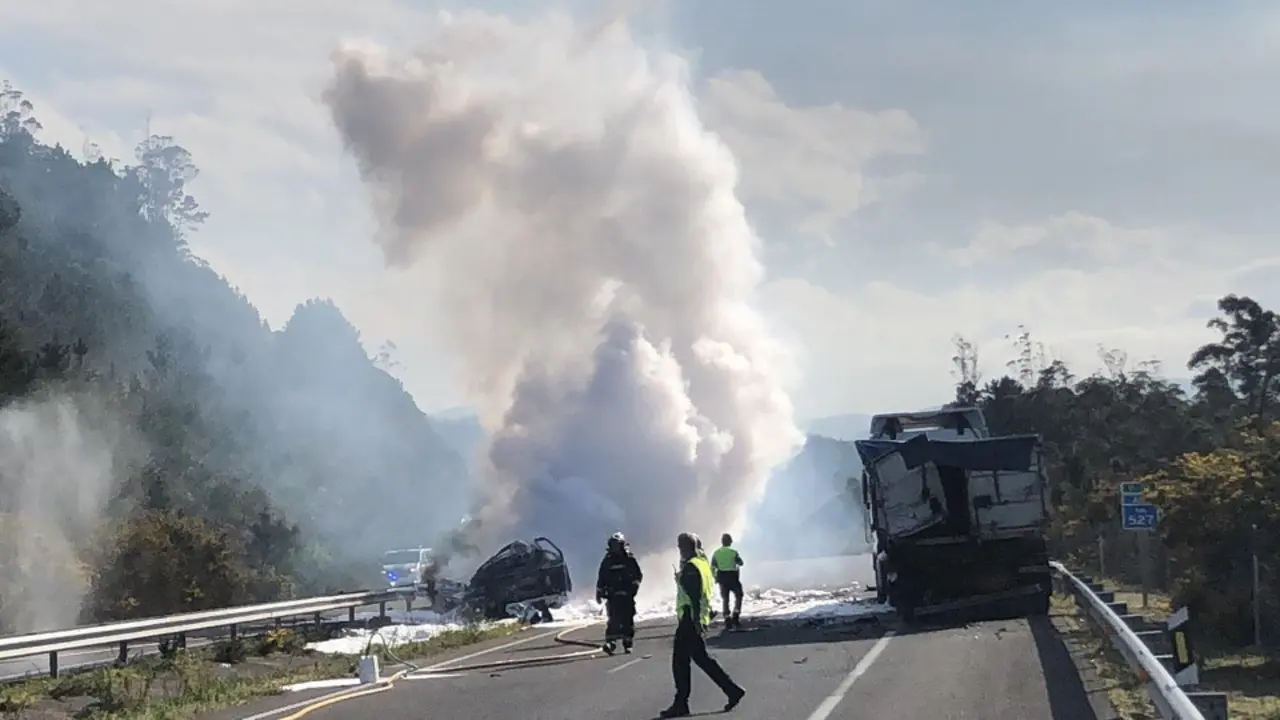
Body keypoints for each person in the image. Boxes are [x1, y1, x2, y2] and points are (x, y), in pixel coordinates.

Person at [659, 532, 746, 718]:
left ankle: (682, 703)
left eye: (680, 546)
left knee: (680, 661)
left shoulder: (691, 567)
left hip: (690, 619)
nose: (679, 549)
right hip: (695, 618)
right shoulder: (701, 562)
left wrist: (696, 620)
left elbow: (694, 596)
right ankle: (731, 690)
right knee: (699, 659)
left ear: (684, 547)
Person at [596, 532, 643, 655]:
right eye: (613, 545)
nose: (615, 548)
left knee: (627, 619)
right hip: (613, 595)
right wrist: (599, 591)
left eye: (617, 545)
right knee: (613, 619)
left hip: (627, 595)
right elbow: (602, 577)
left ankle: (627, 643)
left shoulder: (629, 559)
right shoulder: (607, 560)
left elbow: (637, 575)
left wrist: (634, 587)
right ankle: (611, 643)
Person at [711, 533, 744, 629]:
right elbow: (741, 563)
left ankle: (727, 618)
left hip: (722, 577)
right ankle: (736, 615)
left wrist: (715, 577)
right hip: (733, 577)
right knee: (739, 595)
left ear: (722, 542)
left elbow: (712, 567)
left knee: (725, 599)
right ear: (730, 542)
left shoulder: (716, 553)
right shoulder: (733, 552)